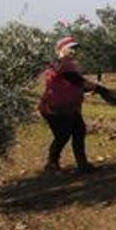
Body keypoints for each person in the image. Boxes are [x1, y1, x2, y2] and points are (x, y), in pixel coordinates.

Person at [38, 36, 100, 174]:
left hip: (71, 108)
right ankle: (51, 164)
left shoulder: (69, 64)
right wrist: (95, 87)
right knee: (63, 135)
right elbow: (76, 80)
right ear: (61, 49)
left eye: (75, 48)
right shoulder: (59, 64)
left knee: (79, 132)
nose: (74, 51)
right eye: (71, 48)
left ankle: (83, 165)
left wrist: (89, 89)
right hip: (54, 109)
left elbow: (75, 83)